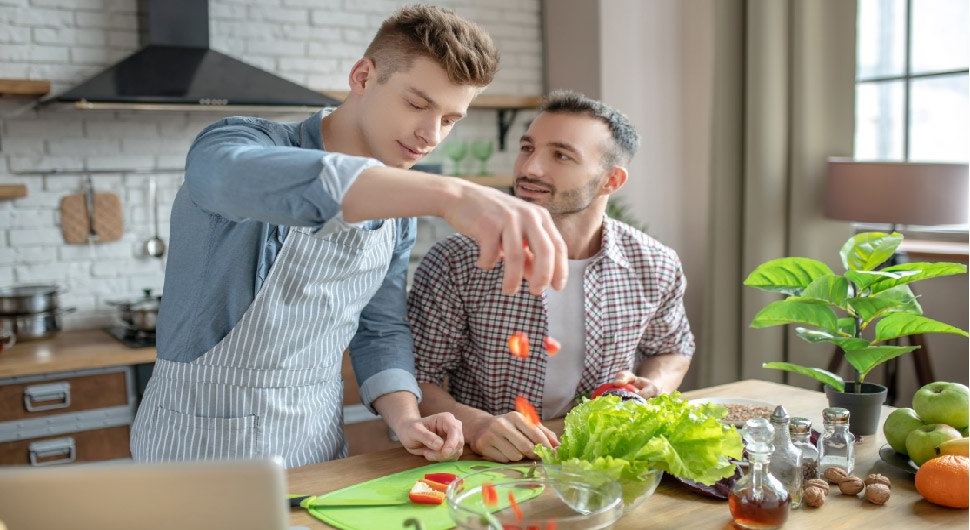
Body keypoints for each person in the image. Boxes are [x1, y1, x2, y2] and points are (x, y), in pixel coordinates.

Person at [130, 5, 568, 469]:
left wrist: (406, 419)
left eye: (450, 119)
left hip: (315, 447)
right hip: (197, 446)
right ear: (363, 76)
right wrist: (449, 193)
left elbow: (380, 326)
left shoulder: (399, 206)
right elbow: (221, 178)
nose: (431, 135)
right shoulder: (240, 144)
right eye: (418, 105)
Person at [408, 91, 695, 463]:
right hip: (483, 466)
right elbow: (416, 377)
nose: (530, 169)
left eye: (560, 155)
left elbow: (672, 349)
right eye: (527, 148)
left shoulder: (655, 263)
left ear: (611, 180)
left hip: (600, 464)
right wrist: (476, 425)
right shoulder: (458, 261)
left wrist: (653, 386)